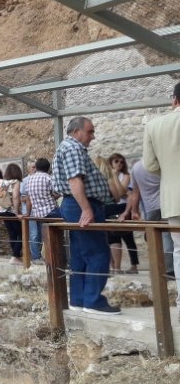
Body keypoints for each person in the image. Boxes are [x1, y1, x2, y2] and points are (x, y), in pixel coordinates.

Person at [52, 116, 118, 313]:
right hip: (82, 205)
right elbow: (75, 181)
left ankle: (79, 300)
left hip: (75, 204)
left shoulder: (67, 147)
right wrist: (87, 209)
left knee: (80, 254)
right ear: (76, 132)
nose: (93, 136)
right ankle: (93, 301)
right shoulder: (73, 148)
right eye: (90, 132)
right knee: (98, 252)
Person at [143, 81, 180, 290]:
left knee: (179, 251)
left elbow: (150, 165)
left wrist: (169, 175)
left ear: (174, 99)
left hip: (174, 199)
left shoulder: (154, 126)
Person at [122, 159, 174, 279]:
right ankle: (169, 270)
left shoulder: (136, 167)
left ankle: (157, 269)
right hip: (166, 204)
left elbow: (135, 192)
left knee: (152, 239)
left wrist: (134, 211)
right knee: (168, 237)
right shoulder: (161, 162)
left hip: (150, 208)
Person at [107, 153, 139, 274]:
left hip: (123, 207)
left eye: (121, 162)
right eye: (116, 161)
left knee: (128, 237)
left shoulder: (125, 175)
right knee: (112, 238)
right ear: (111, 162)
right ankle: (115, 267)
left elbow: (121, 192)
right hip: (111, 208)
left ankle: (134, 266)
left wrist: (115, 177)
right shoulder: (107, 175)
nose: (119, 164)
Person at [20, 157, 57, 263]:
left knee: (42, 233)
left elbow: (28, 198)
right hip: (40, 210)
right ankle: (39, 257)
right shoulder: (46, 178)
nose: (34, 169)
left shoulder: (32, 180)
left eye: (35, 167)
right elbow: (22, 197)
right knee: (36, 234)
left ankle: (44, 256)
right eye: (32, 167)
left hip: (37, 211)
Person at [0, 162, 25, 265]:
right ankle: (15, 256)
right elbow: (15, 197)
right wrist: (17, 212)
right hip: (11, 211)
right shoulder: (15, 182)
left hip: (2, 210)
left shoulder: (1, 182)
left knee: (12, 234)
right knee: (22, 234)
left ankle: (16, 256)